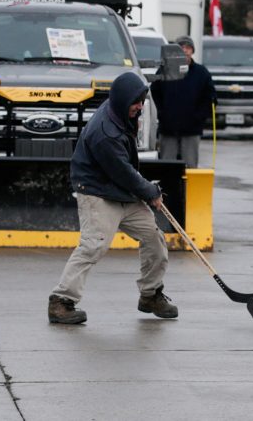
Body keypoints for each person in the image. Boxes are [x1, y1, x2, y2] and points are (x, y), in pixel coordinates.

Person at [48, 72, 178, 325]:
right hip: (98, 191)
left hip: (123, 192)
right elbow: (123, 172)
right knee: (93, 245)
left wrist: (144, 190)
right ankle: (61, 301)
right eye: (136, 102)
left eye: (142, 101)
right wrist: (150, 192)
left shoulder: (121, 110)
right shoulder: (104, 133)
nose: (140, 107)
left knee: (154, 238)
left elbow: (126, 174)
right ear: (122, 100)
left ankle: (150, 295)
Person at [151, 35, 216, 168]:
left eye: (188, 47)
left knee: (190, 166)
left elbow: (210, 98)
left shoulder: (201, 73)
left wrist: (199, 117)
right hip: (168, 128)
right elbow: (155, 91)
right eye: (182, 47)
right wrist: (163, 113)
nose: (185, 50)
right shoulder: (165, 70)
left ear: (192, 51)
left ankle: (189, 189)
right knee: (166, 166)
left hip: (192, 130)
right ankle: (166, 189)